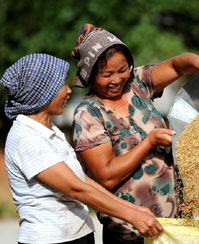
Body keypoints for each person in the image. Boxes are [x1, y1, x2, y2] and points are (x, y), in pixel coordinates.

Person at [70, 24, 199, 243]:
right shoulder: (88, 114)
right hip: (129, 232)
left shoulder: (137, 84)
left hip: (172, 226)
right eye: (107, 74)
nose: (117, 79)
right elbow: (106, 176)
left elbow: (176, 66)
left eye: (122, 69)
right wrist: (148, 143)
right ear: (89, 75)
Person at [0, 53, 163, 244]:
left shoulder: (49, 130)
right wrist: (130, 215)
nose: (68, 91)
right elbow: (76, 189)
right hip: (51, 239)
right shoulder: (27, 138)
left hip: (74, 235)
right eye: (62, 86)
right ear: (43, 93)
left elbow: (80, 178)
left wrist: (131, 208)